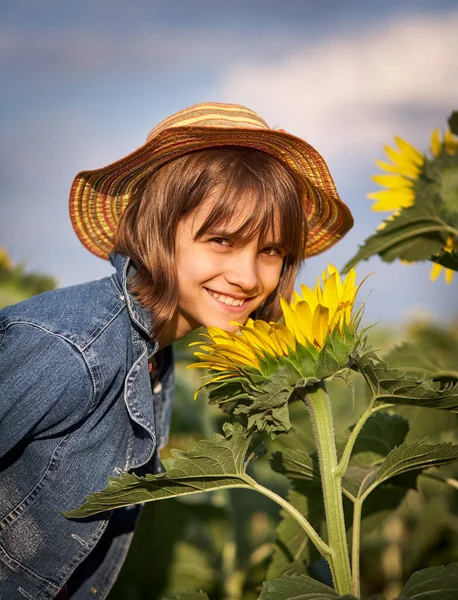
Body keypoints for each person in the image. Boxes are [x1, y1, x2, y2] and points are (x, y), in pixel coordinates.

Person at [0, 102, 353, 599]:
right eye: (222, 240)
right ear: (157, 231)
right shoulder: (72, 350)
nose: (249, 277)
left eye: (270, 250)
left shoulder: (151, 356)